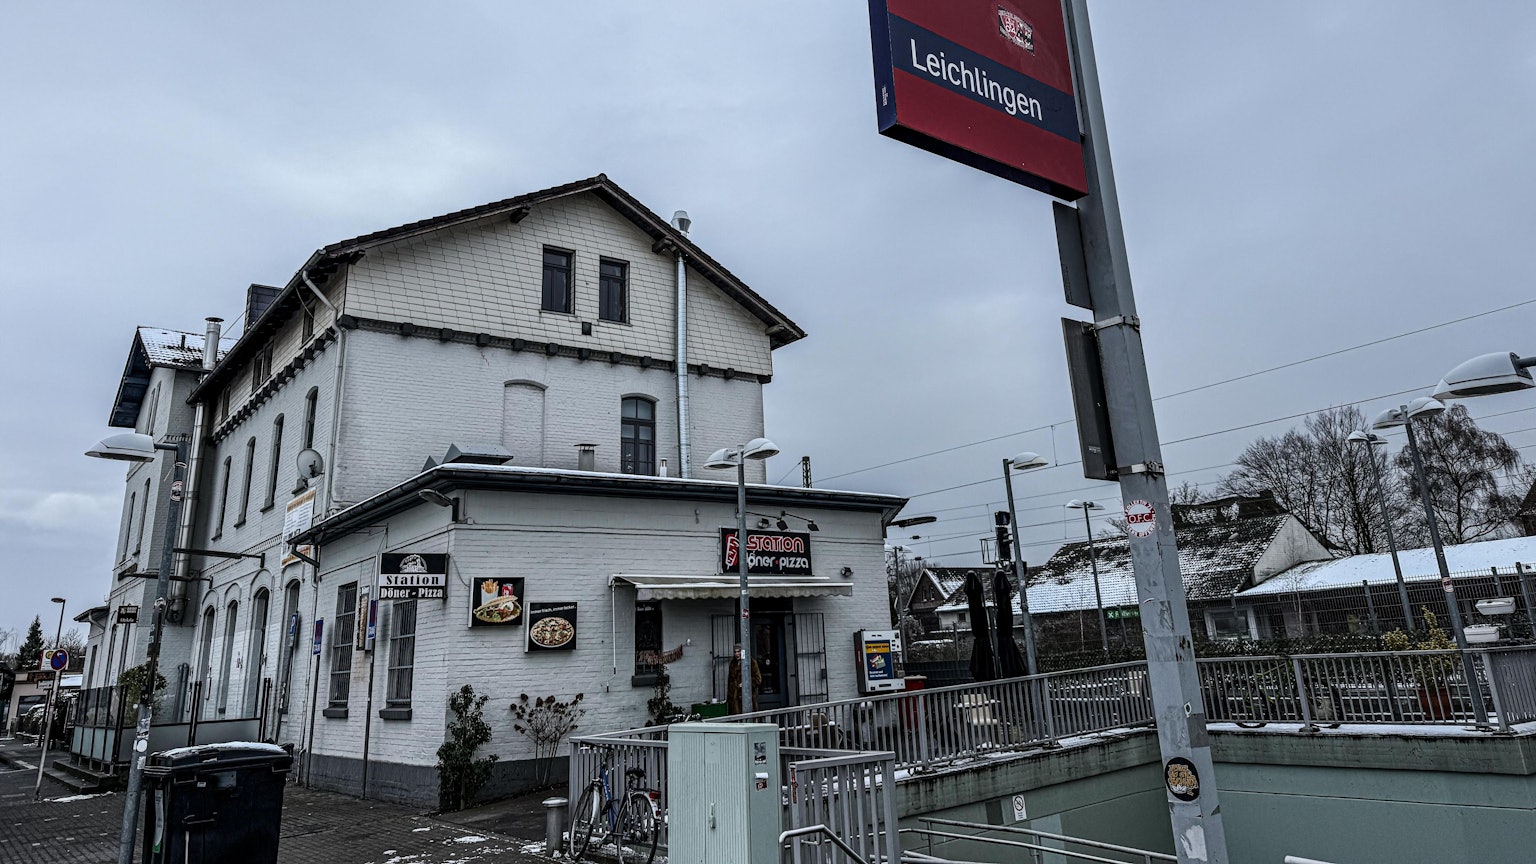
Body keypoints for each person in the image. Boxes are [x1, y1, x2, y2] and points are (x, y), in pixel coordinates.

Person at [726, 643, 762, 715]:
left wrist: (746, 684)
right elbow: (730, 682)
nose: (737, 654)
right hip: (734, 699)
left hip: (747, 698)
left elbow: (758, 679)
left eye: (738, 651)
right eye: (735, 652)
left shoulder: (751, 663)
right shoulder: (732, 664)